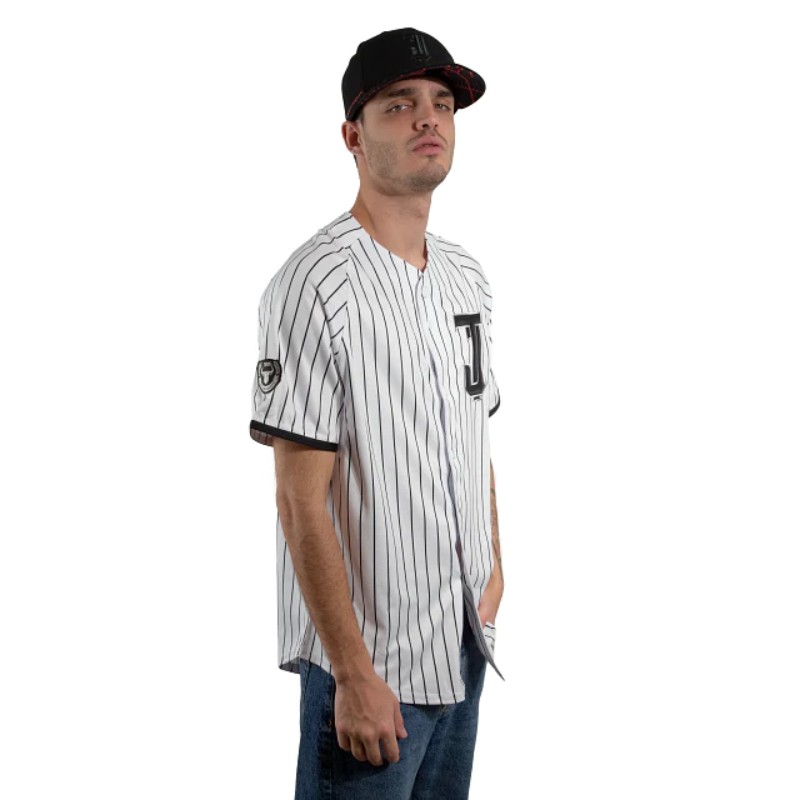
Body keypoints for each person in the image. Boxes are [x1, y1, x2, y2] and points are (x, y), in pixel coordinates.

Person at [249, 27, 505, 799]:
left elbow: (474, 436)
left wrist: (494, 574)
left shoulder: (467, 276)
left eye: (442, 103)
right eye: (400, 104)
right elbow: (299, 499)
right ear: (353, 137)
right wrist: (353, 674)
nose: (429, 118)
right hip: (370, 675)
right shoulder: (313, 282)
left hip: (464, 647)